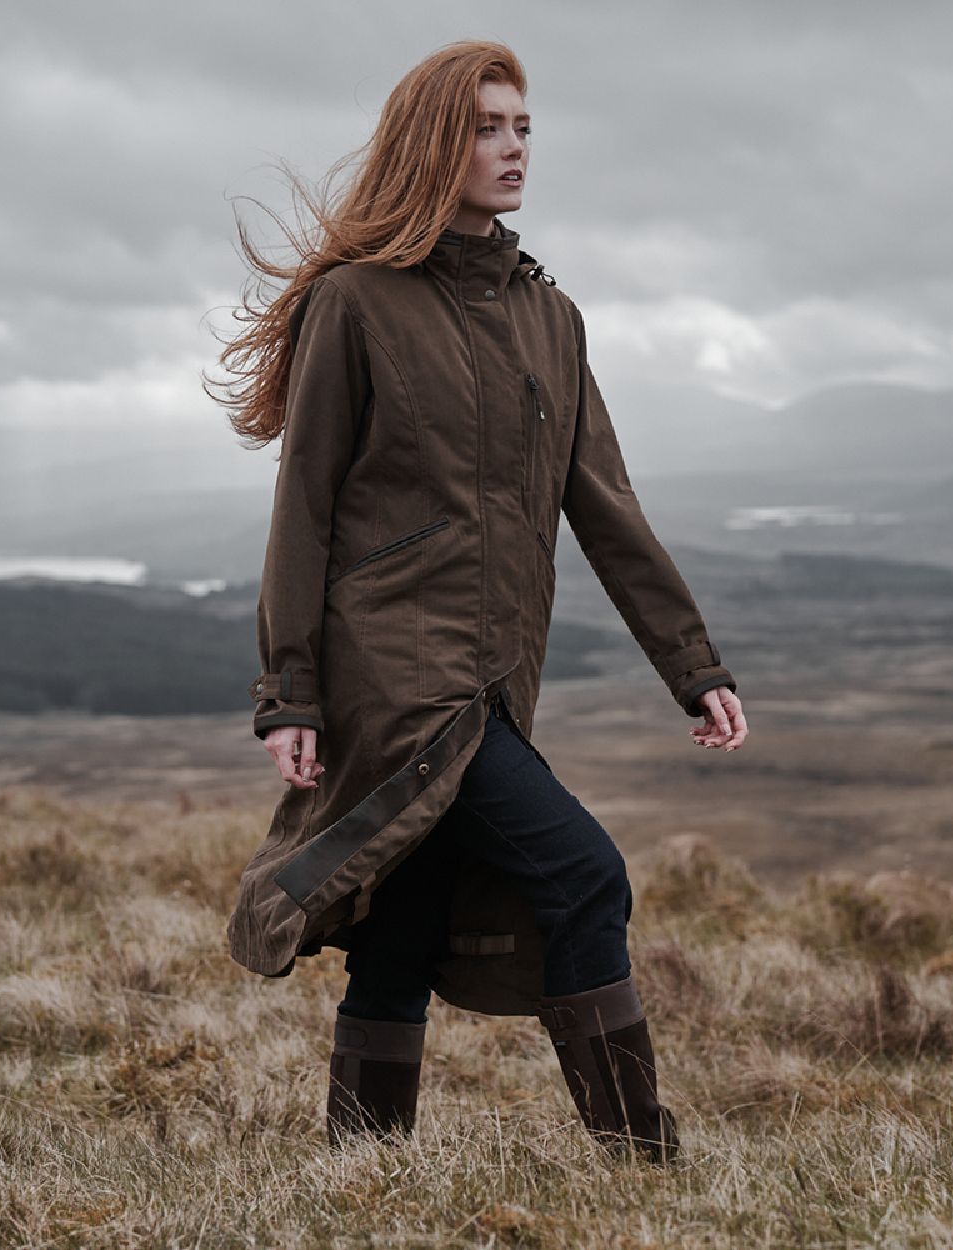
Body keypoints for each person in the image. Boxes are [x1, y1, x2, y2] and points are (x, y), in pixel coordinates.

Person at [208, 39, 748, 1164]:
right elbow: (303, 509)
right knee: (585, 873)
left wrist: (692, 666)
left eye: (523, 128)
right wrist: (289, 691)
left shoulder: (551, 316)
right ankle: (641, 1158)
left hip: (501, 677)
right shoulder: (355, 303)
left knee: (406, 918)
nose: (513, 149)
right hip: (394, 678)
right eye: (486, 128)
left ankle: (364, 1166)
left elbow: (605, 505)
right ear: (430, 145)